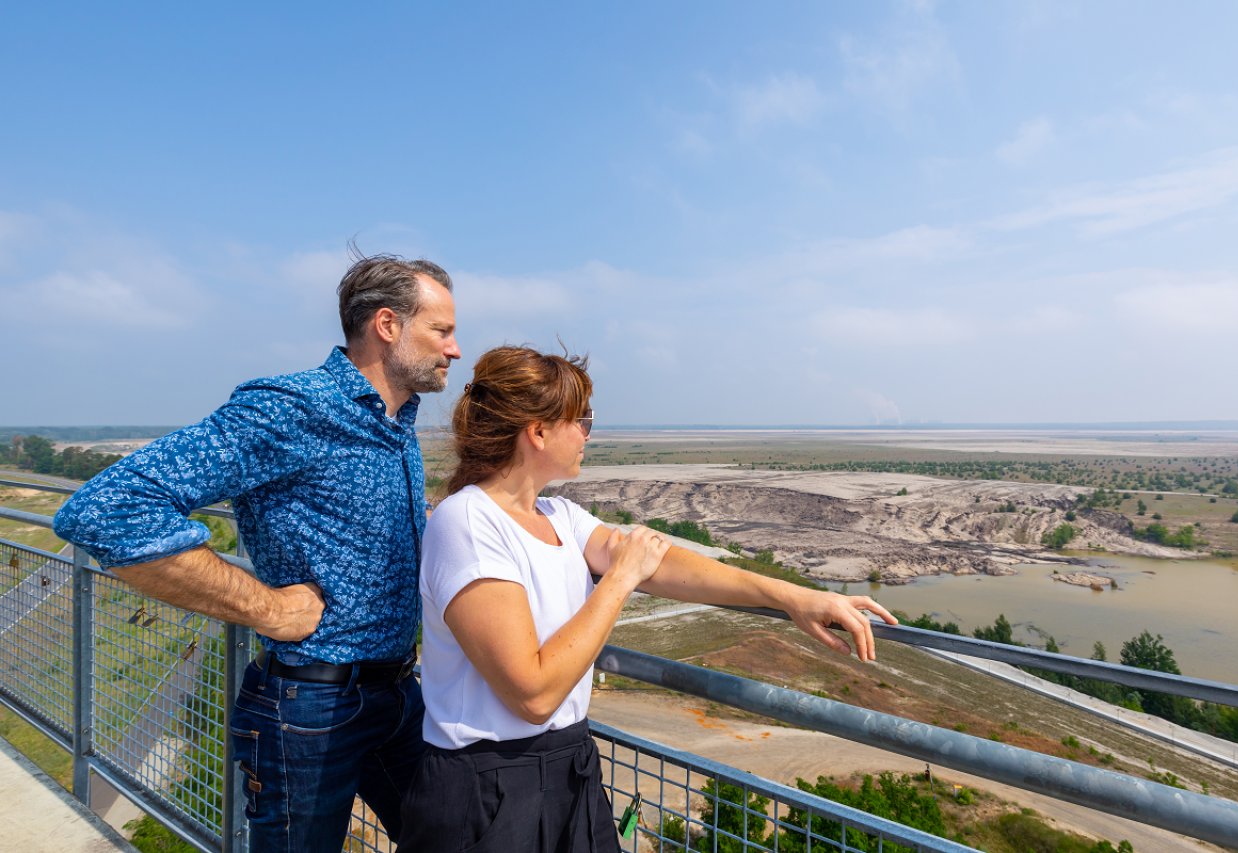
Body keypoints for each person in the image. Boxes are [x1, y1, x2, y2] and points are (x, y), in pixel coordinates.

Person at [398, 346, 896, 853]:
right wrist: (619, 581)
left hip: (569, 767)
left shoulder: (560, 518)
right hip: (486, 787)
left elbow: (658, 563)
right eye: (583, 418)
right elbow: (533, 695)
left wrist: (791, 596)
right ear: (538, 431)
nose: (590, 433)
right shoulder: (467, 522)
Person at [53, 253, 461, 853]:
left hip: (398, 694)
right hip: (310, 706)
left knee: (452, 839)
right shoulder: (291, 408)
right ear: (387, 325)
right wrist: (267, 608)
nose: (454, 350)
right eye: (443, 330)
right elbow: (104, 511)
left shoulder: (396, 421)